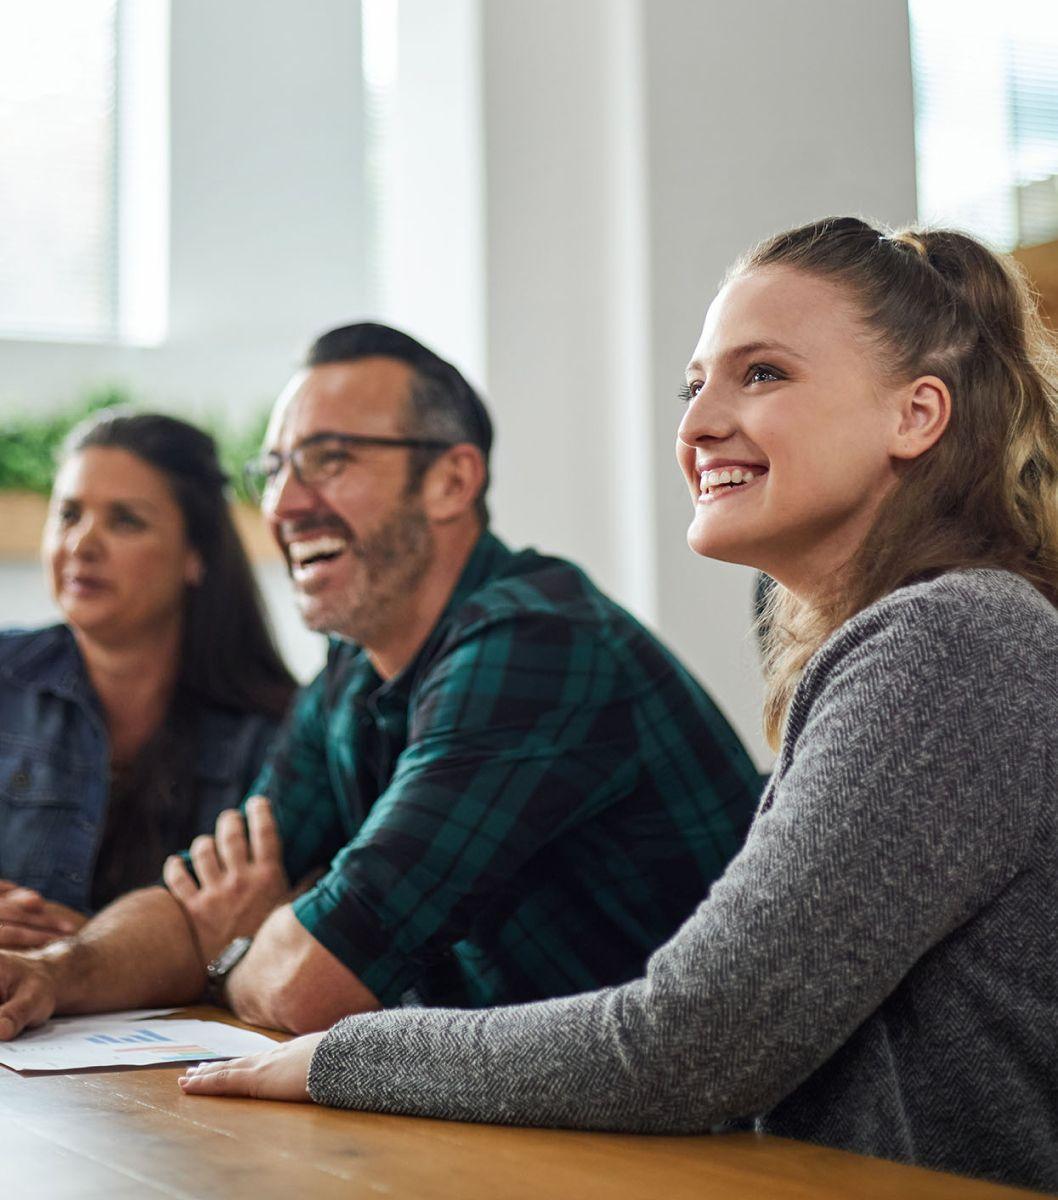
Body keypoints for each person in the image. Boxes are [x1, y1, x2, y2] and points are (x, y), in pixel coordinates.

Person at [178, 222, 1058, 1195]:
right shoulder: (917, 642)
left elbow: (689, 1043)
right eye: (694, 387)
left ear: (915, 414)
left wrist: (337, 1057)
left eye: (760, 374)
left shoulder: (953, 642)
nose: (695, 427)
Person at [0, 323, 761, 1036]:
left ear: (451, 481)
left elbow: (307, 981)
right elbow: (198, 900)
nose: (286, 505)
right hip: (526, 1113)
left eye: (329, 460)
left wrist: (223, 955)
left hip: (711, 1140)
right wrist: (54, 975)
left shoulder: (534, 641)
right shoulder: (350, 668)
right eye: (275, 469)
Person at [0, 411, 295, 949]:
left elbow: (258, 939)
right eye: (68, 514)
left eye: (125, 521)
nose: (82, 544)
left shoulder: (275, 730)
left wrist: (104, 954)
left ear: (194, 556)